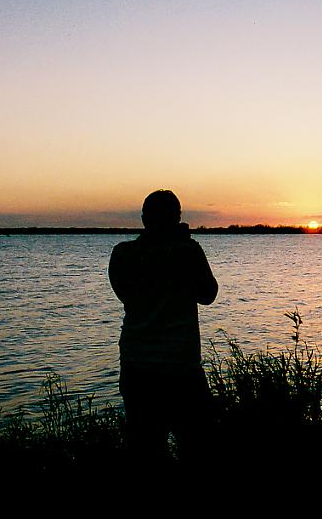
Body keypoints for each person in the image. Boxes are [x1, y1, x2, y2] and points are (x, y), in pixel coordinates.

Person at [108, 189, 218, 464]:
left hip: (137, 367)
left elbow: (125, 294)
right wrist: (180, 248)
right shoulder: (187, 252)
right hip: (180, 369)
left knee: (145, 449)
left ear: (144, 219)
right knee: (196, 448)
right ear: (176, 219)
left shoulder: (123, 254)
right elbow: (208, 294)